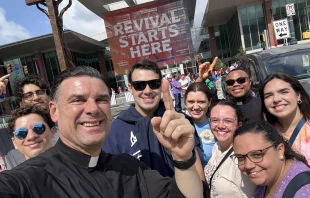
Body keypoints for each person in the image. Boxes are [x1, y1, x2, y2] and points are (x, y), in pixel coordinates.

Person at [0, 66, 207, 198]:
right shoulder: (28, 179)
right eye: (78, 100)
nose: (92, 109)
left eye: (101, 99)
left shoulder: (130, 168)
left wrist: (182, 158)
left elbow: (184, 195)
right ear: (54, 111)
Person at [103, 59, 204, 179]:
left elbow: (198, 172)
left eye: (154, 84)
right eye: (139, 85)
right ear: (130, 88)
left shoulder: (179, 121)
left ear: (161, 85)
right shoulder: (115, 130)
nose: (147, 91)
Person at [232, 121, 310, 198]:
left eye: (257, 155)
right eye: (240, 157)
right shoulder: (268, 180)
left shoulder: (304, 189)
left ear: (280, 150)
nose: (248, 165)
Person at [204, 100, 256, 197]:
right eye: (215, 120)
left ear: (239, 125)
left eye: (228, 121)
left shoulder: (243, 158)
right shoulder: (217, 147)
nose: (220, 126)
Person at [259, 73, 310, 164]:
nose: (276, 99)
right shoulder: (264, 132)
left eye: (284, 92)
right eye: (269, 95)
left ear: (298, 95)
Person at [184, 82, 216, 167]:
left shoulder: (217, 125)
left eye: (201, 102)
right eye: (191, 102)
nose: (196, 107)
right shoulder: (181, 125)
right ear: (185, 103)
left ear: (209, 102)